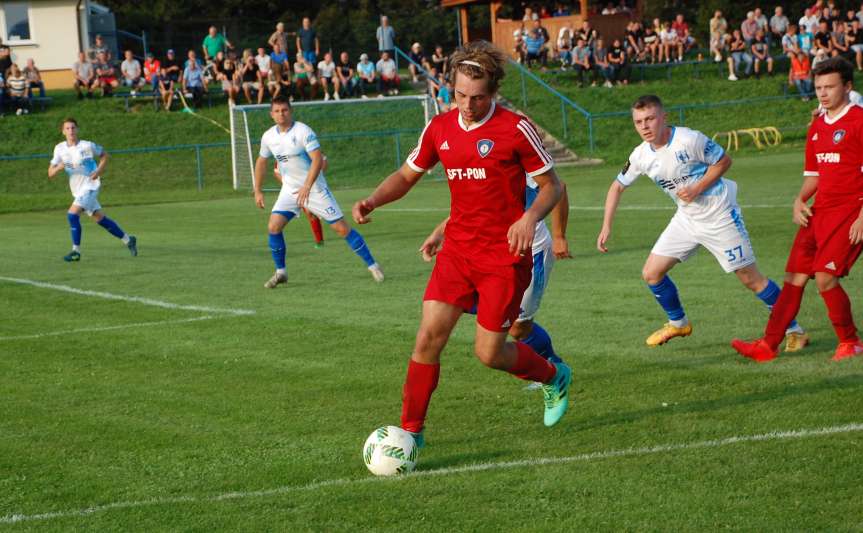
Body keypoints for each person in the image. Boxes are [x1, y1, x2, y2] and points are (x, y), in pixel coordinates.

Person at [351, 41, 572, 443]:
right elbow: (405, 176)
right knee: (427, 338)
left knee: (489, 354)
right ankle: (411, 433)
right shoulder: (440, 128)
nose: (468, 106)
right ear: (450, 88)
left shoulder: (515, 129)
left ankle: (554, 375)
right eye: (460, 95)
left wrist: (529, 217)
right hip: (458, 252)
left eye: (478, 97)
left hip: (504, 259)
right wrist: (372, 200)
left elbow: (551, 187)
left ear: (494, 91)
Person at [596, 95, 807, 350]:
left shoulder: (689, 139)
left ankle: (795, 330)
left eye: (650, 118)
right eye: (639, 121)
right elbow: (617, 187)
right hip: (687, 219)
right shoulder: (640, 155)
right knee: (651, 273)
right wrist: (606, 226)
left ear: (664, 117)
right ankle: (678, 323)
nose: (644, 126)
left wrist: (698, 188)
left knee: (751, 279)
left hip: (719, 216)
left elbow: (724, 161)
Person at [733, 57, 863, 362]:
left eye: (830, 86)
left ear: (848, 86)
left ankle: (850, 341)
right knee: (794, 276)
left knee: (824, 278)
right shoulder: (817, 125)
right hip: (819, 212)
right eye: (818, 87)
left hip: (850, 211)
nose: (822, 93)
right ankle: (768, 345)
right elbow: (814, 174)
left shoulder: (859, 121)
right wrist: (799, 200)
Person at [419, 175, 572, 382]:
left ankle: (554, 367)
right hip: (490, 255)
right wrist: (439, 233)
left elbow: (559, 187)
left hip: (530, 253)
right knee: (461, 309)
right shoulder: (479, 164)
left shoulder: (515, 155)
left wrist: (559, 236)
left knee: (519, 327)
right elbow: (473, 209)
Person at [254, 95, 383, 287]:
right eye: (277, 111)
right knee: (273, 226)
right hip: (290, 190)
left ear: (291, 111)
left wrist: (307, 185)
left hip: (314, 189)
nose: (281, 114)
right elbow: (261, 162)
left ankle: (373, 265)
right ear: (271, 114)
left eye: (285, 110)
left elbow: (317, 159)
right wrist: (257, 190)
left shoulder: (303, 131)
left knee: (341, 228)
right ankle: (281, 272)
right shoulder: (268, 137)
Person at [47, 118, 137, 262]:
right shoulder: (59, 149)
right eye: (68, 128)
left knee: (72, 215)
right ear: (63, 131)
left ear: (77, 130)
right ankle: (128, 240)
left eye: (73, 128)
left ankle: (76, 251)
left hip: (90, 186)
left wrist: (99, 171)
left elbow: (105, 155)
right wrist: (58, 167)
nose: (71, 131)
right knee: (100, 219)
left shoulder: (87, 146)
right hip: (77, 190)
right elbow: (50, 173)